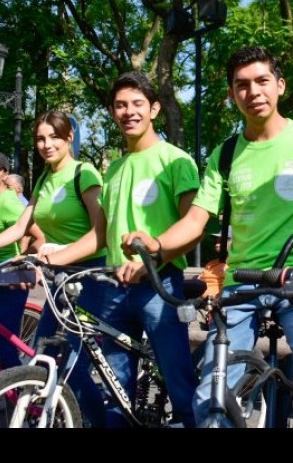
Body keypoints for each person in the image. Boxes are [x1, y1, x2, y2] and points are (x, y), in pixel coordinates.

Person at [123, 45, 293, 428]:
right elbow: (195, 220)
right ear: (232, 94)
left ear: (280, 85)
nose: (253, 91)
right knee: (211, 393)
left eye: (262, 81)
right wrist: (158, 245)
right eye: (242, 85)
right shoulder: (225, 154)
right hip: (241, 285)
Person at [0, 111, 107, 427]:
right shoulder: (45, 179)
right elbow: (20, 228)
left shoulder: (83, 173)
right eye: (40, 139)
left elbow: (100, 235)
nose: (47, 144)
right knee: (40, 359)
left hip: (88, 277)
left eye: (54, 137)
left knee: (73, 367)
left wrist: (58, 256)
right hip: (60, 278)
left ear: (69, 138)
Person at [96, 71, 198, 428]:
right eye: (120, 105)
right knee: (115, 392)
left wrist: (152, 262)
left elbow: (193, 229)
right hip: (114, 287)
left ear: (154, 109)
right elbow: (99, 236)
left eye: (137, 103)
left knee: (180, 386)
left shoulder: (176, 160)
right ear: (113, 112)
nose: (129, 112)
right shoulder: (113, 170)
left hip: (161, 285)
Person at [0, 150, 45, 369]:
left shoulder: (9, 202)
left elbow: (40, 236)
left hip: (11, 276)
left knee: (4, 346)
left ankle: (16, 387)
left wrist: (24, 257)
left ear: (5, 174)